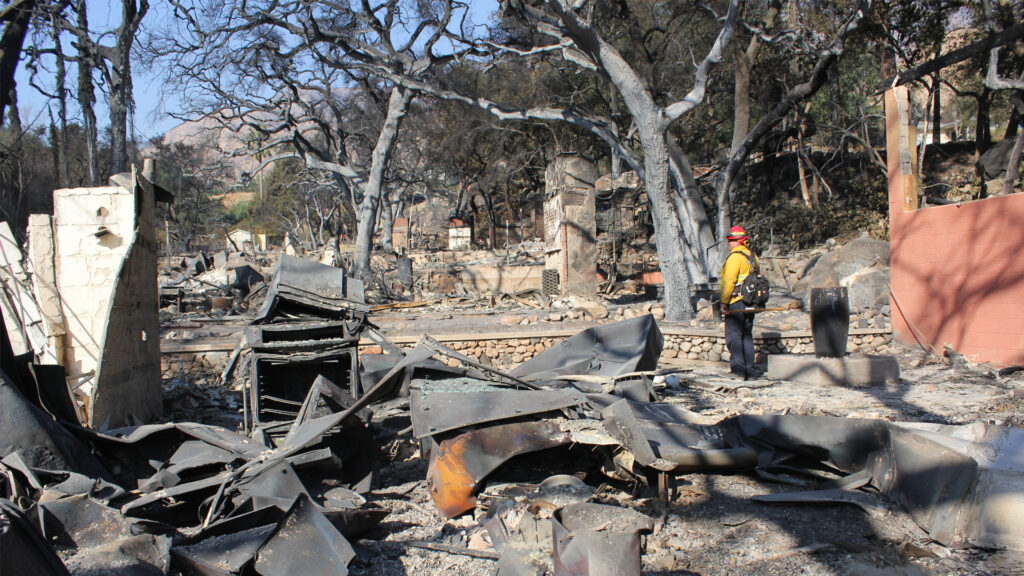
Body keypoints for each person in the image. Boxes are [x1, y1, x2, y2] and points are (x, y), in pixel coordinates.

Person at [719, 225, 758, 379]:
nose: (728, 244)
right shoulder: (753, 256)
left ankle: (738, 371)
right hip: (751, 302)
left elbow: (729, 281)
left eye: (731, 240)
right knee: (746, 335)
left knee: (734, 336)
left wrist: (724, 302)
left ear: (739, 241)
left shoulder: (735, 257)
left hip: (736, 301)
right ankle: (750, 371)